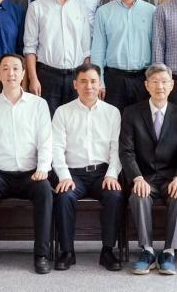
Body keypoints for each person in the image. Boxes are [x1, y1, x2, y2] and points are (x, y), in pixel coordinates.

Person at [0, 54, 54, 275]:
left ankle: (42, 255)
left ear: (24, 73)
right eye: (5, 69)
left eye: (16, 68)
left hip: (31, 174)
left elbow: (46, 141)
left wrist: (43, 168)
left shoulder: (39, 105)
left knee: (45, 190)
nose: (11, 73)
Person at [52, 63, 124, 271]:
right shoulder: (63, 112)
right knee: (64, 196)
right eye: (83, 81)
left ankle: (108, 250)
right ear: (75, 84)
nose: (89, 86)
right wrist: (64, 176)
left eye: (93, 81)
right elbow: (56, 149)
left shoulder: (112, 112)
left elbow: (116, 148)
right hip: (73, 174)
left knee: (114, 195)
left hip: (102, 173)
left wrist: (112, 175)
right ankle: (67, 251)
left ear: (100, 84)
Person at [120, 64, 177, 275]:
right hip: (145, 177)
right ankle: (147, 251)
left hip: (171, 177)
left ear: (172, 85)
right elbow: (126, 151)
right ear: (146, 85)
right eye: (155, 82)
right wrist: (137, 178)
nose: (160, 86)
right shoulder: (131, 113)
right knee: (138, 196)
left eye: (164, 82)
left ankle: (169, 252)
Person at [25, 0, 92, 115]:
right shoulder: (36, 7)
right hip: (47, 76)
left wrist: (85, 79)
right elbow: (30, 47)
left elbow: (85, 49)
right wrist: (33, 79)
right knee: (47, 120)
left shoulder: (80, 8)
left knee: (75, 120)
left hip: (75, 75)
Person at [91, 0, 155, 110]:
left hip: (143, 78)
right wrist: (99, 81)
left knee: (141, 122)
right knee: (113, 121)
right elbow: (98, 50)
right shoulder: (103, 12)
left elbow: (155, 47)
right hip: (114, 79)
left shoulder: (151, 11)